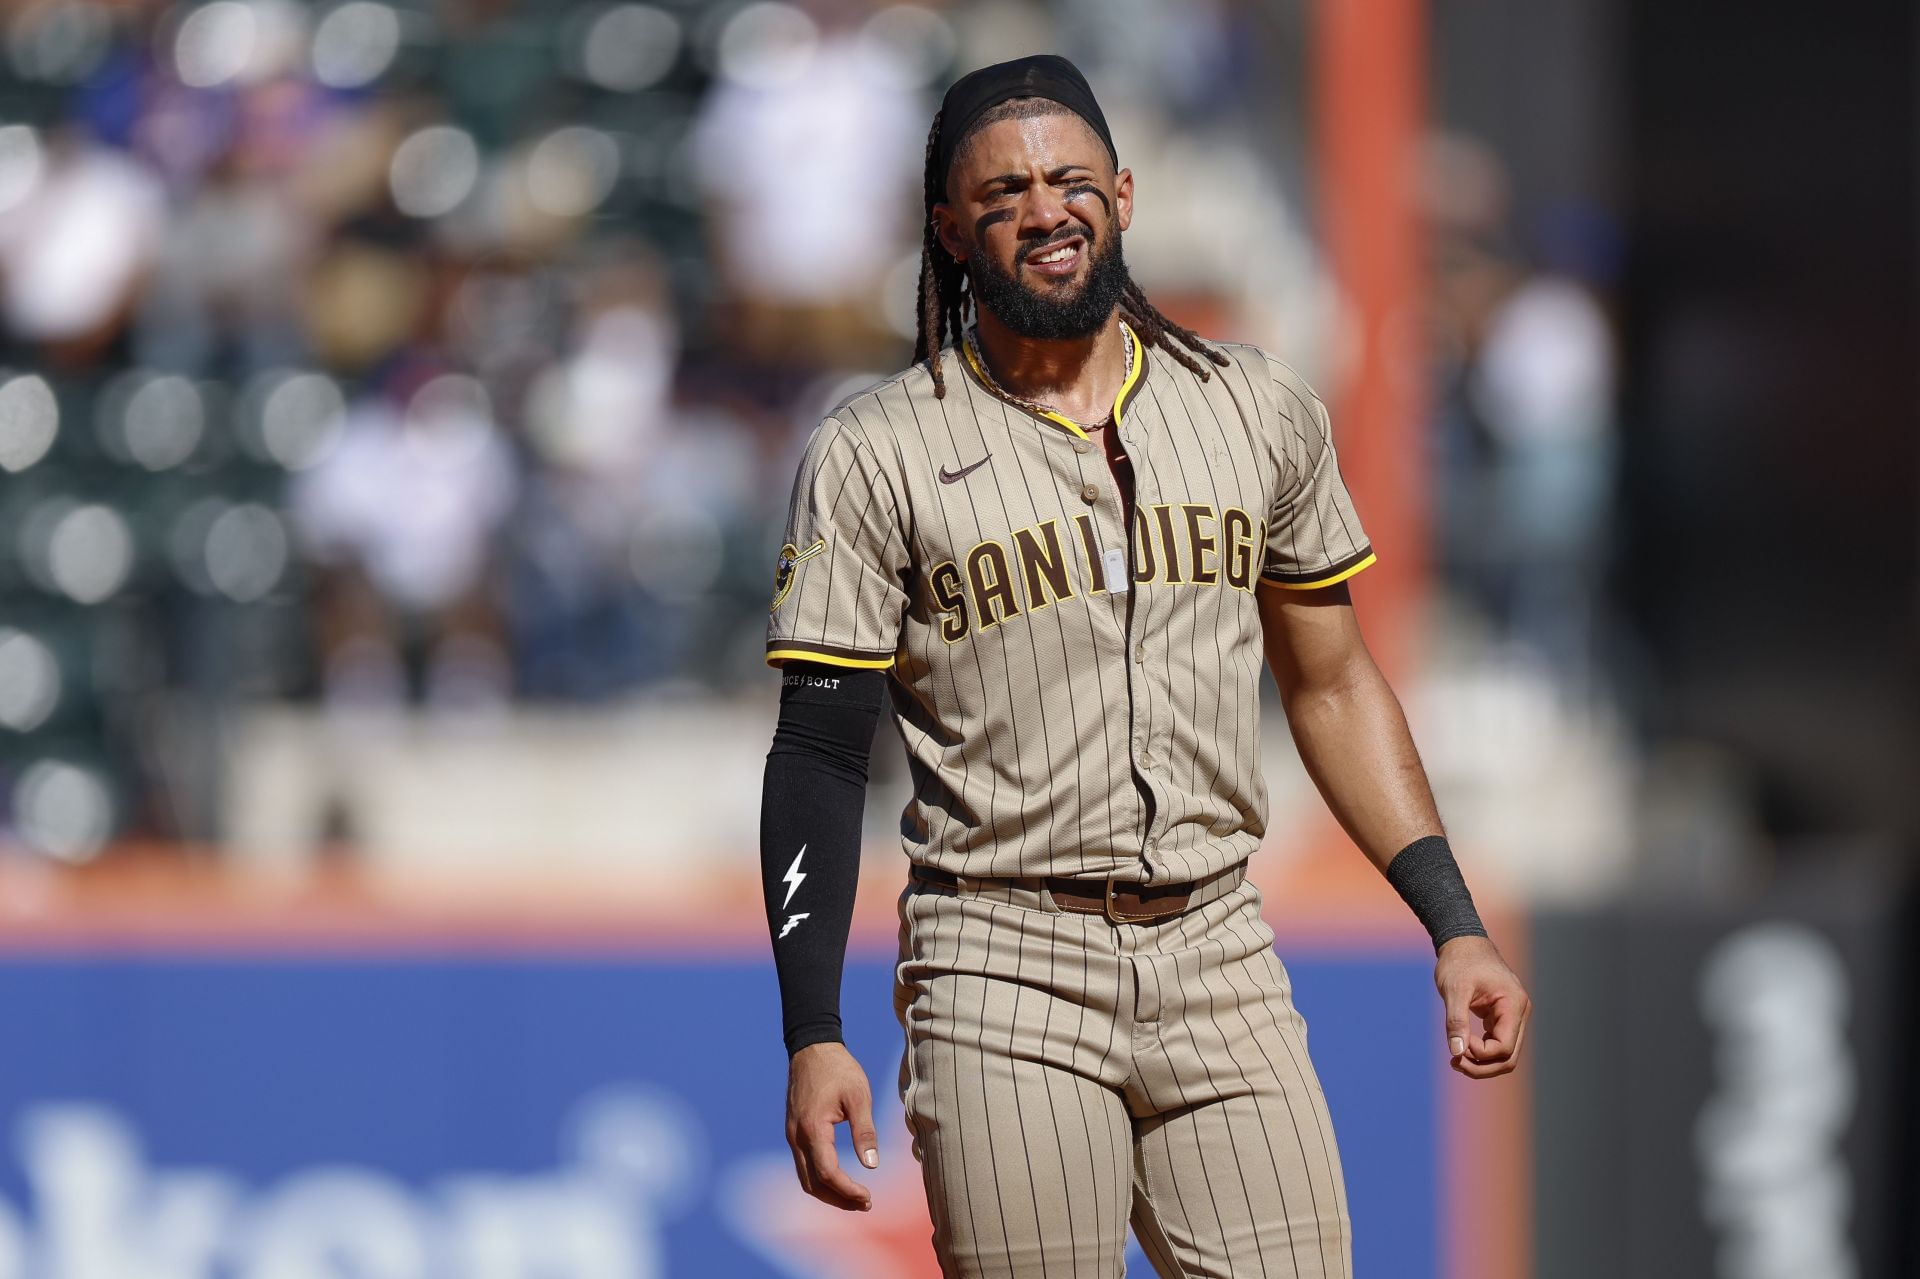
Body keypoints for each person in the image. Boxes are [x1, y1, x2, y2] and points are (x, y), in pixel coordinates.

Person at [758, 54, 1531, 1278]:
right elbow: (814, 751)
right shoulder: (877, 451)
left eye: (1071, 180)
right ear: (950, 231)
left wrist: (1454, 924)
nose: (1045, 208)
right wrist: (813, 1027)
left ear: (1123, 193)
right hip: (1001, 960)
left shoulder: (1252, 405)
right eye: (1003, 192)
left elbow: (1331, 682)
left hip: (1221, 949)